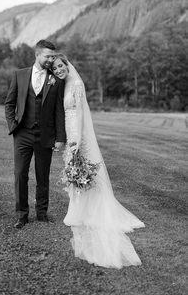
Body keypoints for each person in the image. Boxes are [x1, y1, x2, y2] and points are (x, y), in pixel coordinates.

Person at [52, 54, 145, 269]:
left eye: (60, 66)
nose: (58, 70)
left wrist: (77, 138)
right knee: (75, 171)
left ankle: (86, 210)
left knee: (81, 170)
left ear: (67, 65)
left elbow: (81, 113)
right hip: (69, 130)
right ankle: (77, 209)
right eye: (55, 68)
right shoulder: (64, 85)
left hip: (78, 132)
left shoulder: (75, 84)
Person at [5, 40, 66, 229]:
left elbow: (58, 111)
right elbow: (9, 103)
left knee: (43, 176)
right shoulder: (20, 75)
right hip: (22, 133)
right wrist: (13, 125)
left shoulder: (55, 79)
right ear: (37, 55)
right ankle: (22, 214)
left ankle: (41, 213)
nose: (50, 60)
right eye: (47, 56)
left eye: (53, 57)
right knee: (20, 174)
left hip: (45, 135)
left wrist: (60, 138)